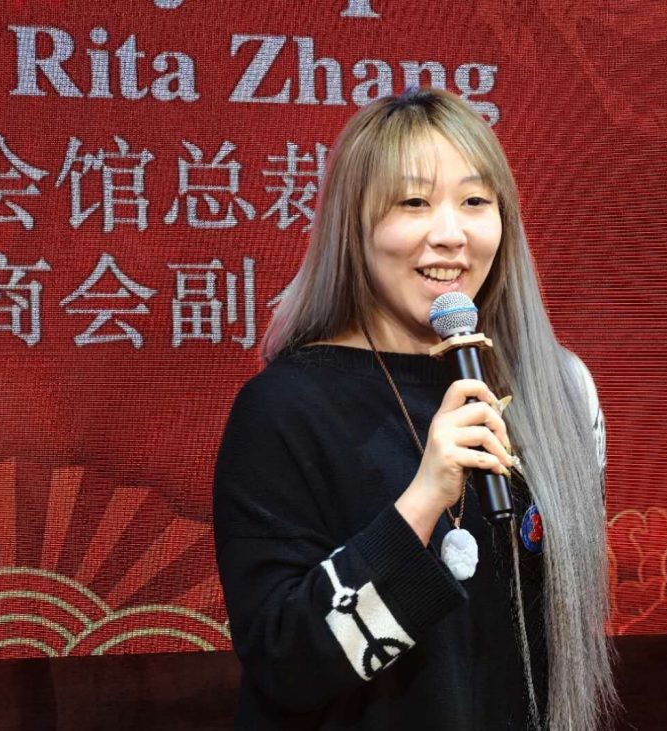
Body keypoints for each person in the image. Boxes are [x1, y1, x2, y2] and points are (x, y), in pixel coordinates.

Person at [213, 87, 617, 731]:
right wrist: (425, 498)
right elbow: (285, 663)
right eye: (413, 203)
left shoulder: (560, 390)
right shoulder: (285, 408)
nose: (450, 235)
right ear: (354, 227)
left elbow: (561, 639)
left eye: (475, 202)